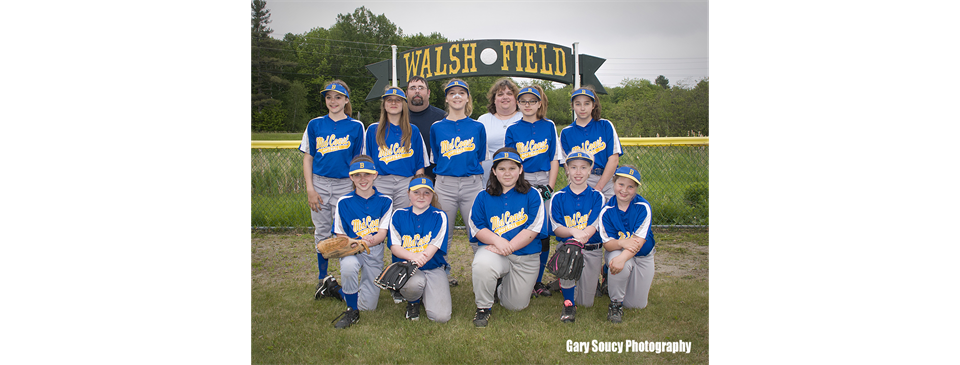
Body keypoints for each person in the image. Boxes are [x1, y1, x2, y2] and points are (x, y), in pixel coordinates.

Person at [299, 80, 366, 301]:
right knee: (321, 231)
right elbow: (308, 157)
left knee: (346, 231)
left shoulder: (356, 126)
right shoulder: (315, 124)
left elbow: (358, 161)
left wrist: (356, 188)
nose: (333, 101)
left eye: (338, 97)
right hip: (319, 182)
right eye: (329, 97)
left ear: (346, 100)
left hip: (344, 184)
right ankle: (323, 278)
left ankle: (350, 278)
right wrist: (310, 188)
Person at [468, 148, 545, 327]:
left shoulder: (533, 194)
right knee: (482, 264)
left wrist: (506, 245)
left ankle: (500, 285)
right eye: (502, 169)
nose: (507, 173)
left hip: (525, 256)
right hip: (495, 251)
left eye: (512, 168)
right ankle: (483, 308)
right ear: (494, 171)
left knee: (515, 306)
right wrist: (498, 241)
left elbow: (533, 229)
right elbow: (476, 226)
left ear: (520, 170)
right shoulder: (483, 196)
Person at [503, 85, 561, 298]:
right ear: (518, 104)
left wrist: (550, 186)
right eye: (523, 101)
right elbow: (511, 161)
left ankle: (536, 281)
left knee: (542, 233)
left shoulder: (549, 125)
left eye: (532, 101)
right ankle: (514, 273)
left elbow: (554, 157)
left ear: (539, 103)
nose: (528, 105)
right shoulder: (513, 128)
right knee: (520, 227)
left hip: (544, 179)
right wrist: (520, 185)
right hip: (522, 181)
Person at [329, 156, 394, 329]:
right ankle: (351, 310)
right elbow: (340, 236)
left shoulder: (386, 201)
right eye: (357, 175)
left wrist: (369, 241)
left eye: (367, 174)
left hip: (374, 251)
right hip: (352, 250)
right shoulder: (344, 202)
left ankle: (334, 289)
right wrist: (356, 243)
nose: (362, 179)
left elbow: (382, 234)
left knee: (368, 307)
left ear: (375, 175)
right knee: (349, 267)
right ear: (351, 177)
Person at [429, 78, 486, 254]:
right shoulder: (437, 127)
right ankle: (440, 273)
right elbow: (437, 158)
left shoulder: (478, 126)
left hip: (472, 184)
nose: (457, 96)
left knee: (477, 230)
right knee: (443, 232)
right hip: (445, 185)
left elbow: (480, 158)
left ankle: (482, 271)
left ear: (467, 98)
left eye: (461, 93)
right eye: (452, 93)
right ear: (446, 99)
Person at [548, 151, 606, 322]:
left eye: (583, 167)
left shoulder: (597, 196)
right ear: (566, 169)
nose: (578, 172)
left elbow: (594, 226)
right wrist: (574, 233)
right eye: (573, 167)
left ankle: (596, 278)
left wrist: (581, 235)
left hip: (591, 250)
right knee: (569, 252)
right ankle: (568, 303)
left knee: (586, 302)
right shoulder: (558, 197)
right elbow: (557, 229)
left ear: (590, 170)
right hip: (568, 248)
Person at [387, 175, 452, 322]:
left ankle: (425, 294)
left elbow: (433, 246)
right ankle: (413, 302)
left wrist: (420, 257)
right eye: (416, 192)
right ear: (408, 193)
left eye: (426, 192)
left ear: (432, 195)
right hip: (407, 268)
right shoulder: (398, 215)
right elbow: (395, 247)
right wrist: (414, 257)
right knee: (414, 283)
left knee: (441, 317)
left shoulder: (439, 215)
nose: (421, 196)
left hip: (433, 267)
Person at [598, 165, 656, 324]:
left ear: (636, 189)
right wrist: (622, 244)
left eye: (630, 186)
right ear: (613, 183)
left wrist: (622, 258)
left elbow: (639, 242)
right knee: (616, 258)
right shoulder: (606, 210)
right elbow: (609, 245)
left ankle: (611, 274)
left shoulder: (643, 207)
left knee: (636, 305)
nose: (624, 190)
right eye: (621, 184)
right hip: (617, 251)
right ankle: (615, 303)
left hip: (643, 255)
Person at [365, 86, 429, 210]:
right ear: (384, 104)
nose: (393, 103)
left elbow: (420, 165)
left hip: (406, 182)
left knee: (403, 220)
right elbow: (366, 162)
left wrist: (416, 189)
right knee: (379, 220)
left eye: (398, 100)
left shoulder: (413, 130)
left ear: (404, 104)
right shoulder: (373, 130)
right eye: (389, 100)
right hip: (380, 181)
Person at [558, 86, 623, 202]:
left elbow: (614, 160)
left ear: (593, 105)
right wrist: (581, 187)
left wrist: (598, 188)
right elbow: (567, 167)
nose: (582, 108)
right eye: (578, 104)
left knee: (611, 216)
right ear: (572, 106)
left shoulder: (605, 125)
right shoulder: (566, 133)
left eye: (587, 103)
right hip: (582, 180)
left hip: (608, 180)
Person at [477, 78, 522, 187]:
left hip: (519, 180)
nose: (505, 97)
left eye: (509, 93)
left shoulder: (524, 118)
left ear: (516, 98)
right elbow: (477, 153)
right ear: (494, 99)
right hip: (488, 180)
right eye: (500, 94)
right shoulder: (483, 120)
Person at [406, 76, 448, 182]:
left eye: (421, 88)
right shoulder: (397, 118)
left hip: (436, 180)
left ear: (428, 93)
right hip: (403, 179)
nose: (417, 91)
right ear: (406, 93)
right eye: (412, 88)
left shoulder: (442, 118)